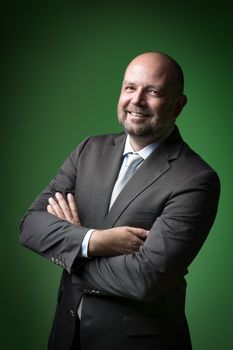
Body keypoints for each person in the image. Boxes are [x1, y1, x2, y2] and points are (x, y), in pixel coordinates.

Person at [20, 52, 220, 350]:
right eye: (130, 87)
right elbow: (30, 226)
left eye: (152, 91)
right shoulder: (88, 150)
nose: (136, 100)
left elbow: (144, 278)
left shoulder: (195, 179)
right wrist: (94, 240)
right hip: (65, 336)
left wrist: (70, 250)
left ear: (178, 105)